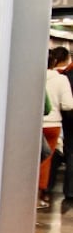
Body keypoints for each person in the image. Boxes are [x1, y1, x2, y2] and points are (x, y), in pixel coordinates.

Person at [41, 50, 73, 208]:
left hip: (29, 124)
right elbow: (68, 104)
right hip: (52, 125)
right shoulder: (60, 79)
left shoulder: (27, 76)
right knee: (46, 160)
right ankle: (41, 195)